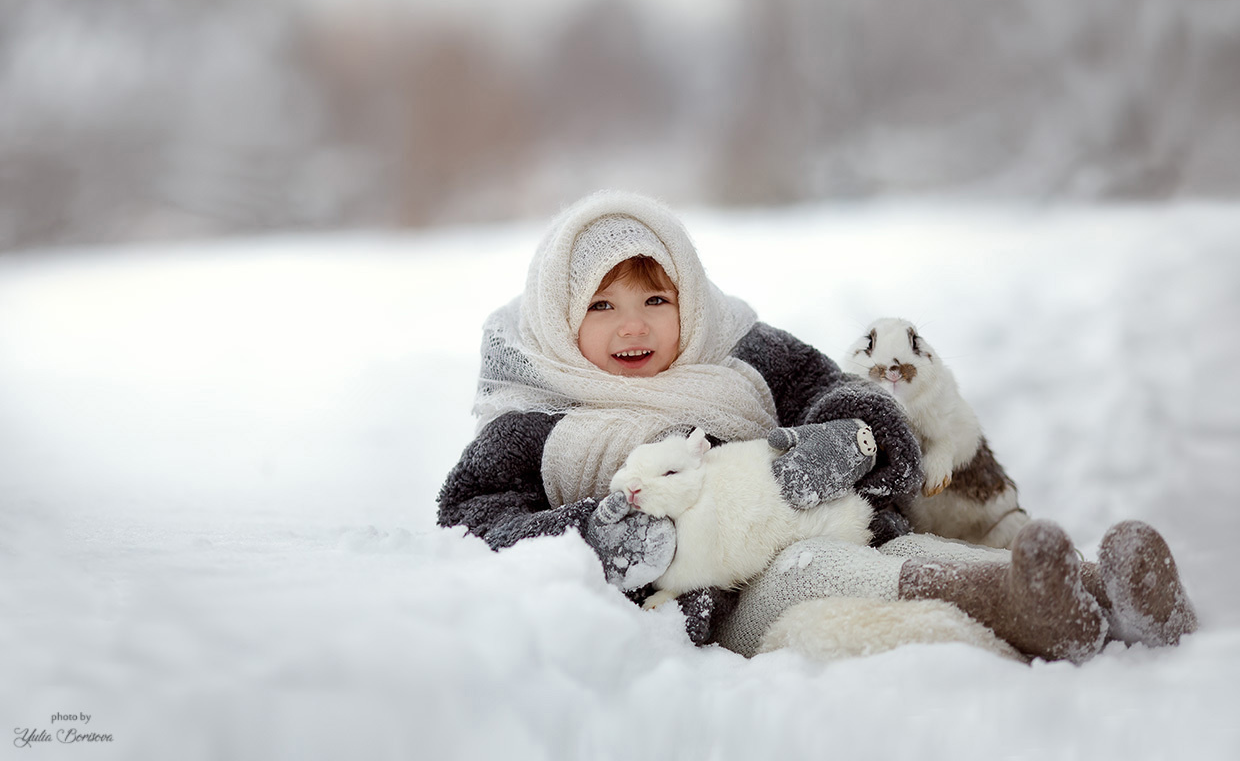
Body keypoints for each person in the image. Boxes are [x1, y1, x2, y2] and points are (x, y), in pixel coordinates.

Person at [437, 190, 1196, 662]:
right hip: (731, 597)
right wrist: (612, 532)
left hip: (829, 523)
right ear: (559, 314)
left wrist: (846, 439)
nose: (632, 327)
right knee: (819, 573)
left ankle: (1107, 590)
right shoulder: (535, 418)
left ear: (690, 302)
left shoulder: (737, 352)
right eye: (601, 307)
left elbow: (836, 389)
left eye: (655, 301)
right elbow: (471, 520)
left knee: (911, 545)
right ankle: (1023, 607)